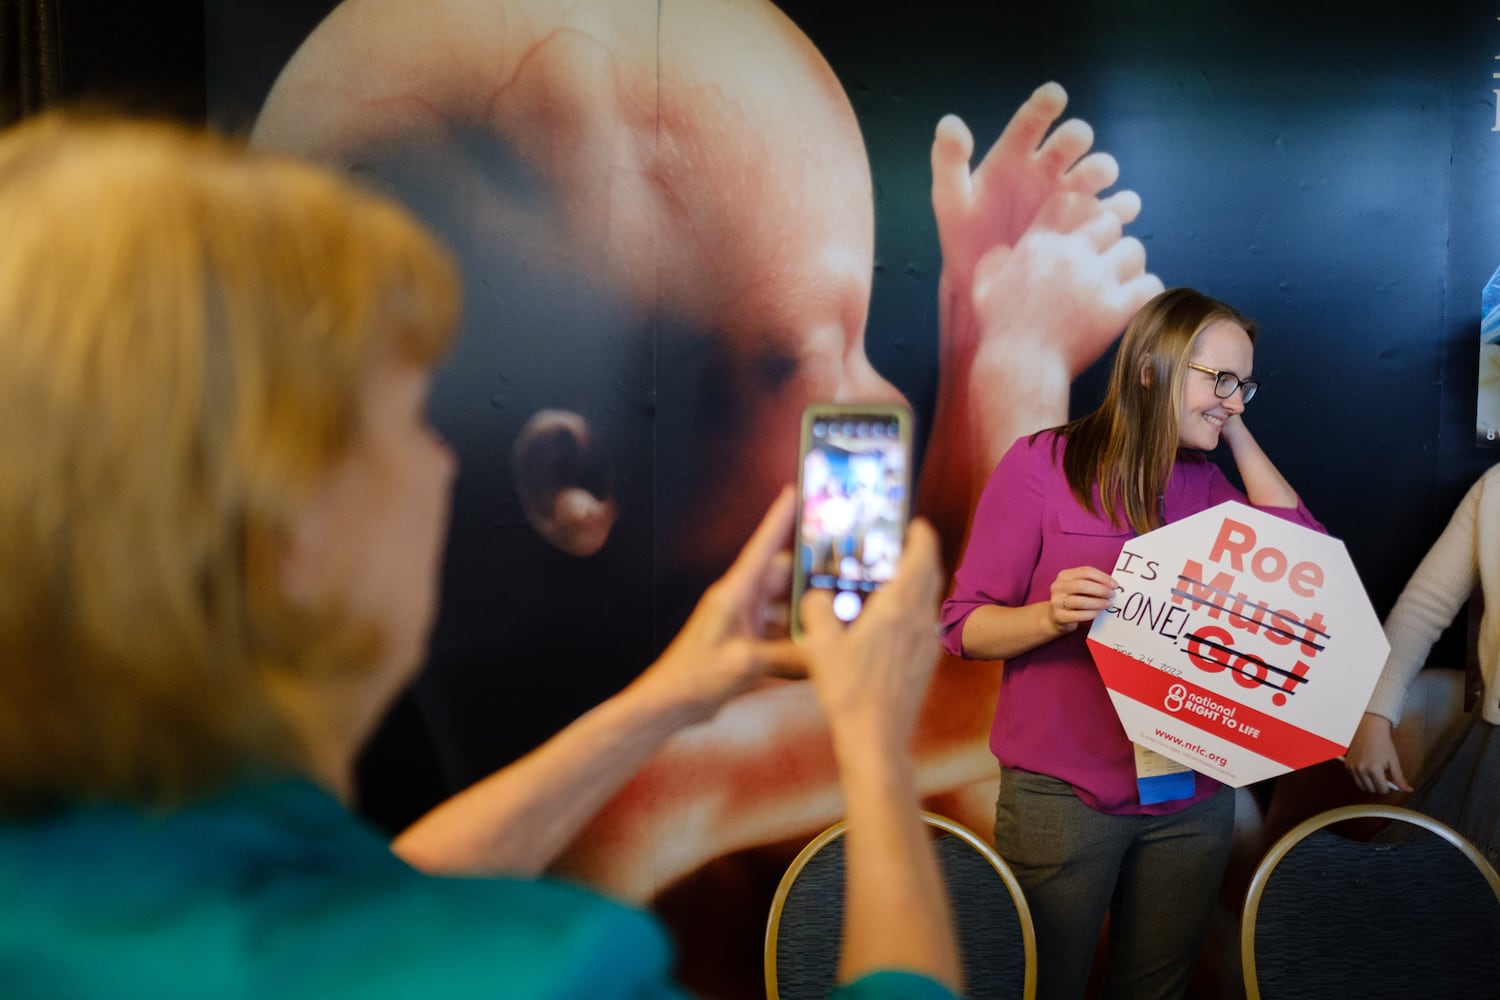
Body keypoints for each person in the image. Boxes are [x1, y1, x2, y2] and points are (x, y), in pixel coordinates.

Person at [0, 112, 961, 998]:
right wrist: (873, 740)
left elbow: (369, 898)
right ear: (291, 533)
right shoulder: (553, 972)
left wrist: (662, 701)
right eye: (408, 422)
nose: (439, 465)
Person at [248, 0, 1161, 900]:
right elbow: (985, 693)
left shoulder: (674, 738)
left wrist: (974, 319)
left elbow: (930, 616)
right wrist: (1019, 363)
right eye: (815, 352)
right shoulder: (633, 798)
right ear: (577, 486)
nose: (880, 399)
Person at [939, 287, 1323, 1000]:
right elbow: (963, 624)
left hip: (1188, 792)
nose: (1235, 400)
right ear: (1152, 370)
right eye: (1221, 380)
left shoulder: (1209, 490)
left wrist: (1231, 426)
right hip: (1062, 796)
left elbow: (1309, 562)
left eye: (1245, 386)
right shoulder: (1041, 466)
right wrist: (1048, 617)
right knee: (1038, 985)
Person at [1345, 464, 1500, 867]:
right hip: (1493, 746)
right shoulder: (1495, 488)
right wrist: (1375, 715)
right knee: (1454, 902)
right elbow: (1425, 605)